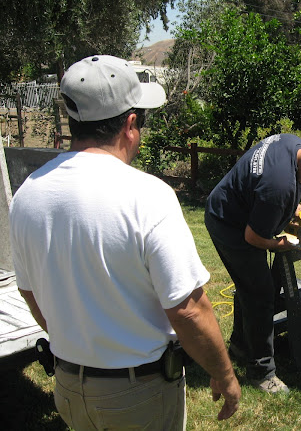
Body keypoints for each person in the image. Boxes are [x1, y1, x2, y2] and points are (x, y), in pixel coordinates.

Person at [9, 55, 240, 429]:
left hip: (68, 387)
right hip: (138, 395)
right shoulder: (147, 195)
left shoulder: (27, 194)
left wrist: (76, 343)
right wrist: (225, 375)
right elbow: (188, 310)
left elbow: (30, 292)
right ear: (130, 124)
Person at [204, 134, 301, 393]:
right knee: (260, 295)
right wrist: (281, 244)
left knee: (250, 286)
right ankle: (261, 372)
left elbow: (275, 185)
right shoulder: (278, 188)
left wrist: (290, 208)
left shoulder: (293, 144)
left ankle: (241, 344)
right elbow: (254, 238)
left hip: (235, 207)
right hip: (229, 225)